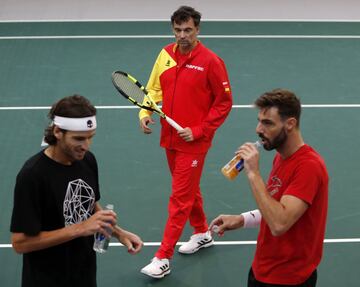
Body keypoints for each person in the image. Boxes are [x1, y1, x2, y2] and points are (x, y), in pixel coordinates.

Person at [139, 6, 233, 278]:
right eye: (178, 30)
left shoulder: (211, 61)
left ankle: (162, 257)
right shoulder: (166, 54)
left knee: (180, 198)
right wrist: (145, 112)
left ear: (198, 30)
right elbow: (153, 88)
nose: (183, 35)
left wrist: (200, 129)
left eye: (188, 30)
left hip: (194, 142)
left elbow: (224, 102)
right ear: (173, 29)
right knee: (188, 189)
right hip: (169, 136)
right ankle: (203, 232)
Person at [10, 95, 143, 287]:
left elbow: (90, 205)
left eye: (90, 137)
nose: (86, 146)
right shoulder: (33, 175)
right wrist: (80, 228)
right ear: (57, 131)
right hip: (47, 280)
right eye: (79, 138)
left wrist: (118, 233)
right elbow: (20, 243)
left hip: (84, 273)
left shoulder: (87, 160)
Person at [210, 89, 328, 287]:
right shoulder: (280, 157)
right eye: (259, 121)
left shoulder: (309, 166)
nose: (258, 129)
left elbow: (280, 223)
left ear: (290, 124)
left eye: (267, 123)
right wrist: (243, 219)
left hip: (288, 278)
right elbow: (278, 205)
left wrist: (253, 174)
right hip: (263, 269)